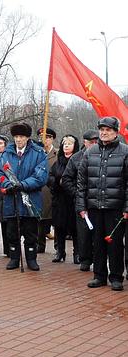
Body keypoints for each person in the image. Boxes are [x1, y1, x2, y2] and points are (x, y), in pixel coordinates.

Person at [76, 117, 128, 291]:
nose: (104, 133)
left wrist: (127, 208)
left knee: (114, 244)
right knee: (97, 243)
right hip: (94, 207)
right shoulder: (89, 152)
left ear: (116, 132)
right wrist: (81, 206)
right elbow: (81, 183)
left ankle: (116, 277)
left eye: (108, 130)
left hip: (116, 207)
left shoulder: (125, 152)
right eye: (102, 129)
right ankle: (99, 276)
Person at [0, 123, 48, 271]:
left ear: (27, 137)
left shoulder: (38, 153)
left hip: (31, 199)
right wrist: (6, 184)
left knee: (31, 232)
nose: (18, 139)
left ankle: (31, 259)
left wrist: (23, 185)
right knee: (12, 232)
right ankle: (14, 258)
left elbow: (40, 176)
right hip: (12, 199)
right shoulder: (6, 154)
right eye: (16, 136)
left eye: (21, 137)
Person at [62, 130, 99, 271]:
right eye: (91, 142)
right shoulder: (76, 158)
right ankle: (85, 259)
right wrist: (77, 194)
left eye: (96, 142)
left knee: (98, 232)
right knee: (83, 233)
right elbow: (66, 179)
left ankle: (99, 259)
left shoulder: (102, 155)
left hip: (97, 201)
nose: (94, 144)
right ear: (85, 142)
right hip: (81, 201)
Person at [49, 135, 80, 263]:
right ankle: (60, 252)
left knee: (75, 228)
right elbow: (50, 176)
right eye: (64, 143)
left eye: (69, 143)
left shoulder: (79, 160)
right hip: (60, 198)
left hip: (73, 198)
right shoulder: (58, 161)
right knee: (59, 227)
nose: (66, 145)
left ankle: (77, 253)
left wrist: (70, 185)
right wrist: (56, 182)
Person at [36, 127, 58, 253]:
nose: (45, 140)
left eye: (47, 137)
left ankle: (58, 247)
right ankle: (40, 244)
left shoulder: (57, 154)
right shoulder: (36, 154)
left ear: (52, 139)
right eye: (42, 137)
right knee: (40, 219)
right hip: (40, 190)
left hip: (53, 191)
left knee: (55, 219)